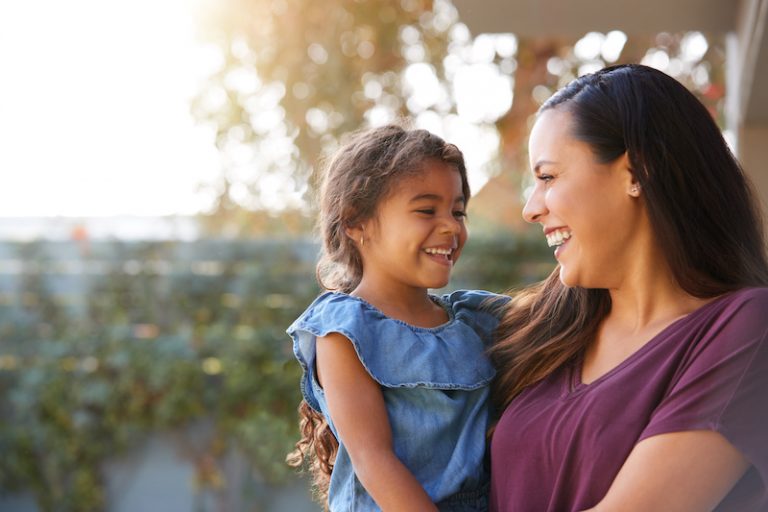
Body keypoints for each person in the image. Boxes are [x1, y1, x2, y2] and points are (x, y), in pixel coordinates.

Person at [488, 63, 768, 512]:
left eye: (547, 177)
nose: (530, 209)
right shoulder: (540, 330)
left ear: (637, 171)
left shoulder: (747, 330)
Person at [286, 124, 504, 511]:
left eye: (458, 211)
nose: (452, 226)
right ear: (356, 222)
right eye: (426, 210)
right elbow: (375, 461)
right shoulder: (344, 331)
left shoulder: (476, 320)